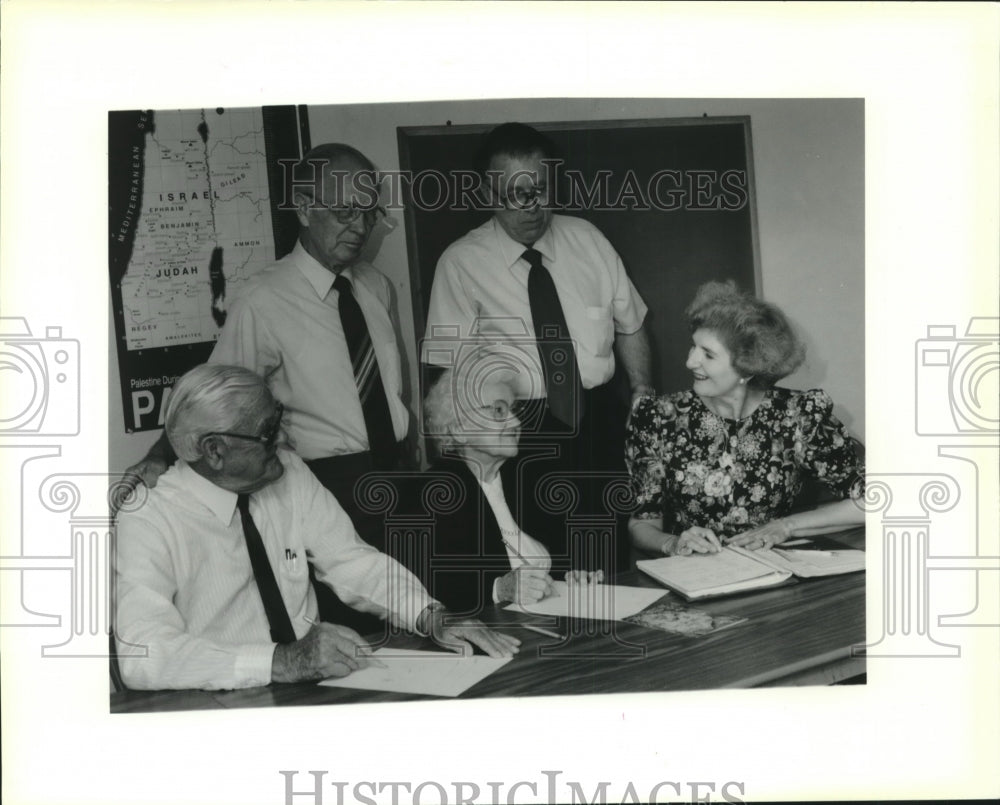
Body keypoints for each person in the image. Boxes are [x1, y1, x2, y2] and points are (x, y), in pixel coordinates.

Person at [114, 364, 519, 691]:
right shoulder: (148, 517)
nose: (286, 437)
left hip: (315, 690)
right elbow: (142, 653)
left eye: (279, 419)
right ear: (214, 451)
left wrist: (430, 614)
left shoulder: (287, 471)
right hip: (219, 704)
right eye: (269, 433)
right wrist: (282, 662)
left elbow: (350, 560)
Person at [120, 143, 407, 534]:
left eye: (369, 213)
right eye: (345, 212)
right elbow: (212, 400)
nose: (359, 227)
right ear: (305, 209)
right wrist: (158, 458)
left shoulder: (377, 287)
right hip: (327, 489)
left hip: (400, 477)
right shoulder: (263, 301)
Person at [421, 122, 653, 565]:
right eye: (513, 193)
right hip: (522, 434)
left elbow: (631, 323)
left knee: (611, 554)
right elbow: (445, 372)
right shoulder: (460, 263)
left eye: (540, 189)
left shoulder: (588, 240)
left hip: (602, 421)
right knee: (543, 563)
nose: (530, 206)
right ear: (488, 193)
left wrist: (642, 390)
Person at [625, 281, 864, 557]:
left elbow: (877, 501)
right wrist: (673, 543)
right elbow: (642, 523)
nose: (690, 362)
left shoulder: (798, 415)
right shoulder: (656, 418)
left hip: (776, 571)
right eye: (694, 347)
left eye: (708, 354)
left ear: (747, 367)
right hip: (693, 574)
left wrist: (786, 526)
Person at [417, 359, 603, 614]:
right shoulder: (432, 493)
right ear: (459, 430)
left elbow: (564, 550)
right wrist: (497, 589)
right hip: (493, 635)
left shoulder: (527, 478)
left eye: (514, 410)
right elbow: (430, 585)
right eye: (498, 411)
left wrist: (577, 574)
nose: (516, 423)